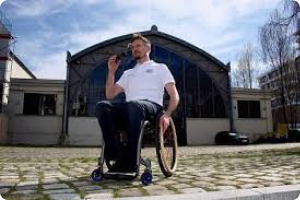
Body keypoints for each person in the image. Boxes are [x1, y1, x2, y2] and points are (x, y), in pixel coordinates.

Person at [95, 33, 179, 173]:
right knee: (102, 106)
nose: (135, 49)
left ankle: (129, 161)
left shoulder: (160, 67)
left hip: (152, 108)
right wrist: (111, 72)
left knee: (134, 105)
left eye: (138, 46)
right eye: (132, 47)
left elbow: (174, 95)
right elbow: (110, 94)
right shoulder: (128, 73)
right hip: (130, 109)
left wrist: (168, 115)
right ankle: (115, 154)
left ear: (148, 48)